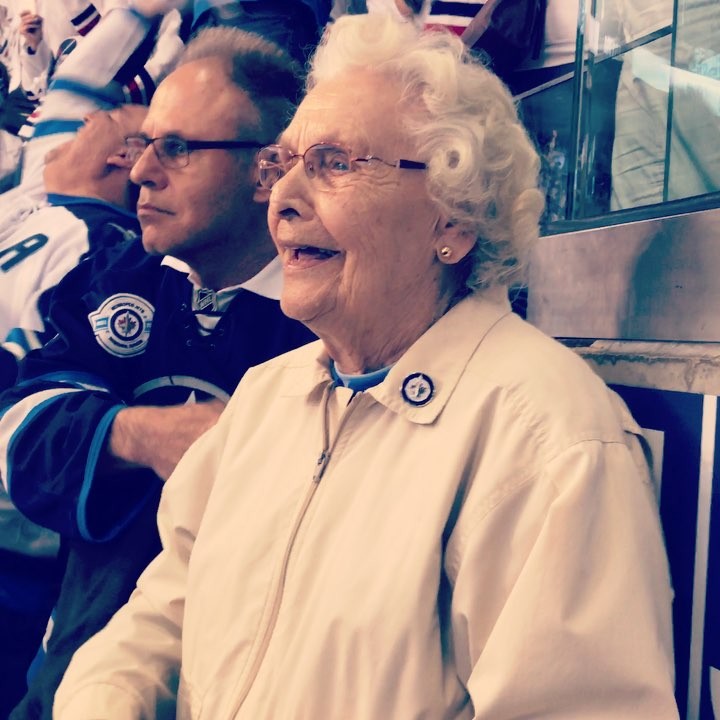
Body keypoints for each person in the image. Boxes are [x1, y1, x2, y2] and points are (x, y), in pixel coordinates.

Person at [53, 13, 678, 719]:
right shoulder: (266, 398)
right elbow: (163, 615)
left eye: (334, 163)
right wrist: (105, 700)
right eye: (284, 164)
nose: (283, 201)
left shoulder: (549, 439)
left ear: (453, 217)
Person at [0, 20, 314, 720]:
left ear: (268, 170)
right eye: (145, 145)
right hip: (76, 675)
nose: (141, 171)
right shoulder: (116, 277)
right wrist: (143, 435)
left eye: (176, 148)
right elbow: (19, 432)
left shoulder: (331, 312)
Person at [0, 5, 179, 715]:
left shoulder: (104, 255)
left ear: (120, 159)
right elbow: (75, 85)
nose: (60, 130)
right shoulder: (35, 203)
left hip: (16, 552)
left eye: (84, 130)